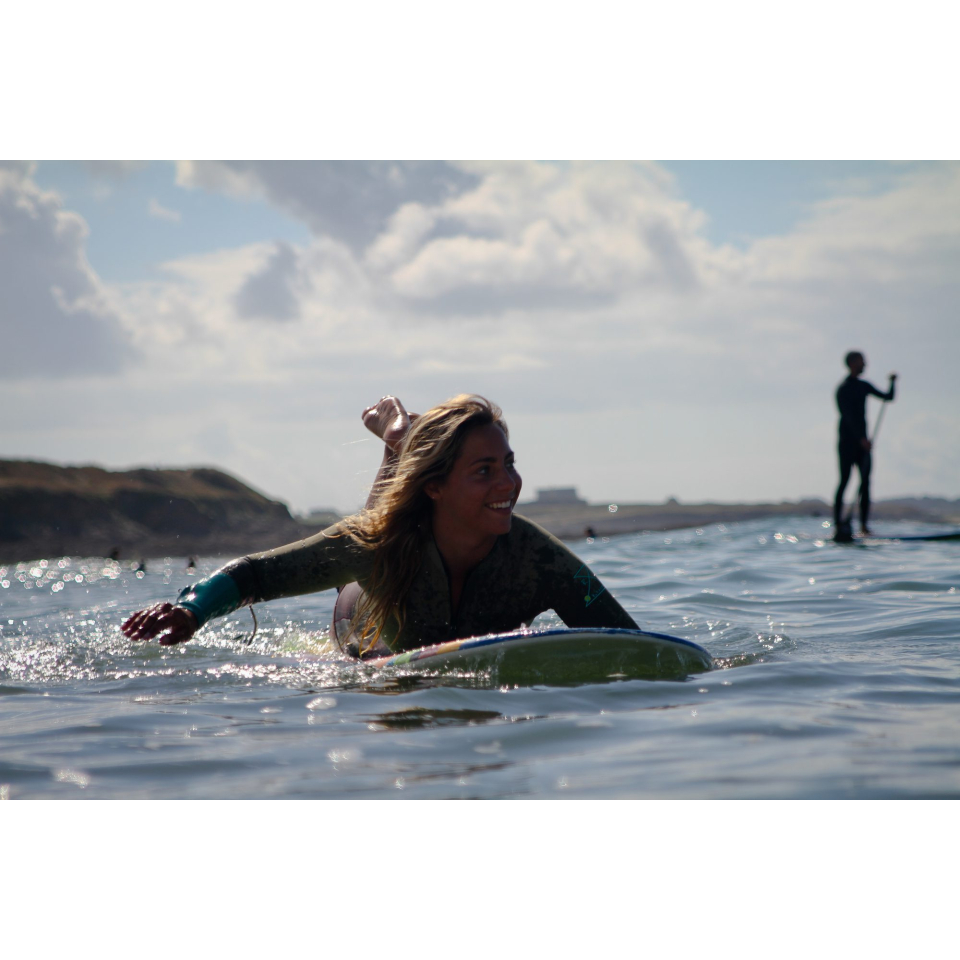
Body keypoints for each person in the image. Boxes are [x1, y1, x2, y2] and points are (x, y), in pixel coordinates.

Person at [121, 394, 639, 655]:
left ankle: (402, 440)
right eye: (484, 471)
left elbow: (632, 643)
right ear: (436, 485)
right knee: (380, 525)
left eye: (509, 464)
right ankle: (400, 438)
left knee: (386, 518)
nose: (509, 483)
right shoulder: (370, 545)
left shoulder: (538, 557)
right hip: (361, 620)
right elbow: (255, 575)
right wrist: (191, 610)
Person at [833, 352, 897, 539]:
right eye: (862, 362)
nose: (865, 365)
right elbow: (848, 416)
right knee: (845, 480)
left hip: (863, 444)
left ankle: (863, 526)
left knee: (866, 483)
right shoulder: (843, 389)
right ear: (852, 363)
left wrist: (893, 382)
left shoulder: (863, 386)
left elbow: (888, 397)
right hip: (847, 442)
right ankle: (838, 524)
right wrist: (861, 438)